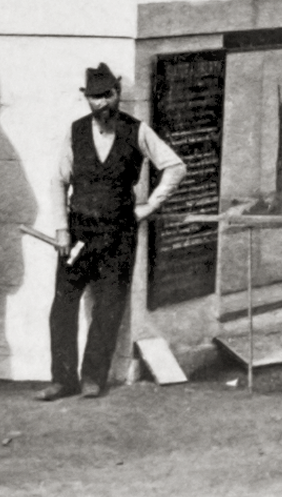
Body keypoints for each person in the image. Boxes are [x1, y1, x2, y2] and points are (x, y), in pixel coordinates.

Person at [36, 63, 186, 402]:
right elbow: (59, 181)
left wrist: (149, 206)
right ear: (84, 98)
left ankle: (93, 378)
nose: (101, 103)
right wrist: (61, 228)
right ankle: (62, 379)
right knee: (63, 306)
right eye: (94, 97)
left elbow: (175, 166)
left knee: (108, 307)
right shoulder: (74, 132)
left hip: (118, 233)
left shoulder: (137, 131)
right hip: (77, 234)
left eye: (107, 95)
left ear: (117, 93)